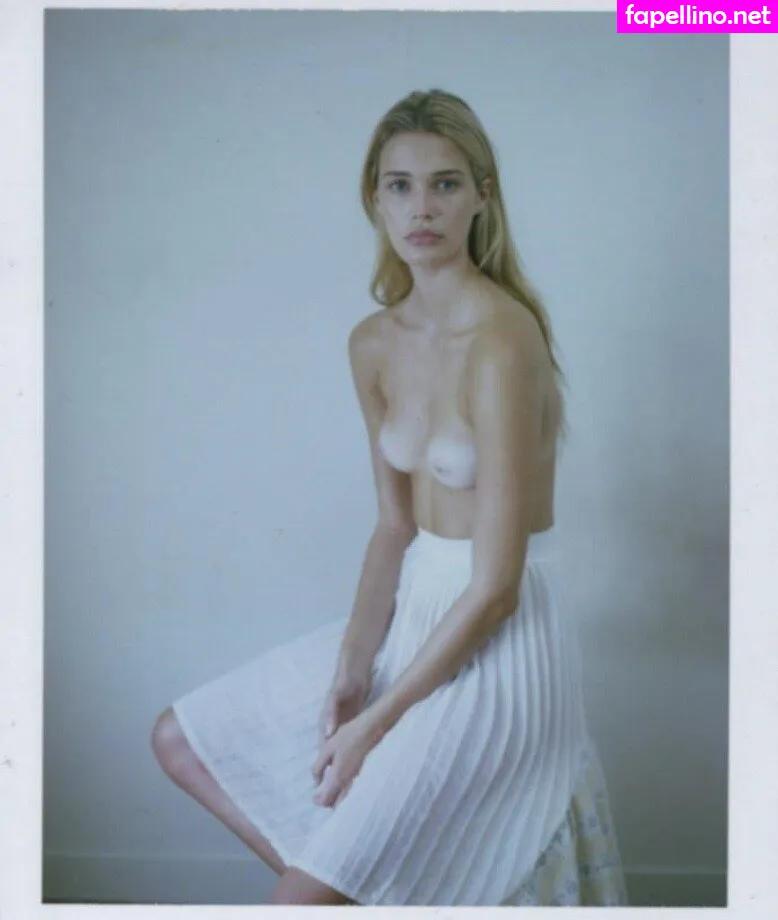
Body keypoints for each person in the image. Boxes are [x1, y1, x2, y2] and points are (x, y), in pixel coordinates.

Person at [151, 89, 627, 907]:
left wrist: (377, 723)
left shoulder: (504, 339)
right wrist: (351, 670)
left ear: (482, 196)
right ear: (374, 199)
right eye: (399, 185)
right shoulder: (373, 342)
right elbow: (394, 525)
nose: (421, 208)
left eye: (446, 184)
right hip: (418, 615)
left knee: (302, 901)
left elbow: (497, 588)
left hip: (504, 643)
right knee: (180, 741)